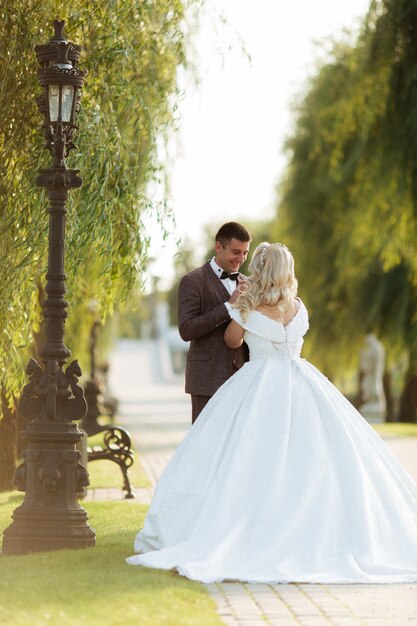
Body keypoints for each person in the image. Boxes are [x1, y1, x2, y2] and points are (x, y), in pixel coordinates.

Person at [127, 243, 417, 584]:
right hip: (302, 382)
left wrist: (242, 306)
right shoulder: (298, 307)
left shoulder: (249, 308)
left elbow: (233, 342)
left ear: (261, 269)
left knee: (250, 455)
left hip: (258, 383)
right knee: (311, 458)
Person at [177, 221, 251, 423]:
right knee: (204, 447)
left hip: (243, 379)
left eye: (245, 253)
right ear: (218, 246)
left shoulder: (248, 284)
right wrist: (229, 306)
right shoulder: (193, 281)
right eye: (236, 252)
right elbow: (186, 329)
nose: (241, 259)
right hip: (206, 381)